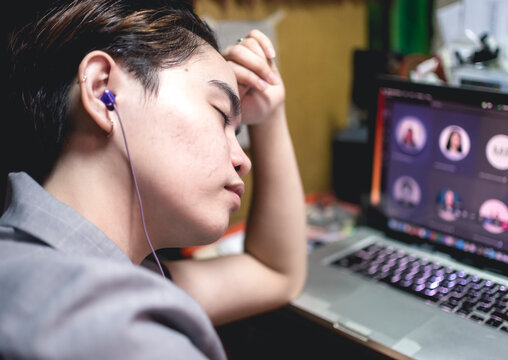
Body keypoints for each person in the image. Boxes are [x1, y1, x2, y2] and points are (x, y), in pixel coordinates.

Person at [0, 0, 306, 359]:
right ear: (103, 92)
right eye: (221, 113)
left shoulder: (42, 262)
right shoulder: (118, 333)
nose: (242, 162)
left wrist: (269, 117)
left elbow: (274, 273)